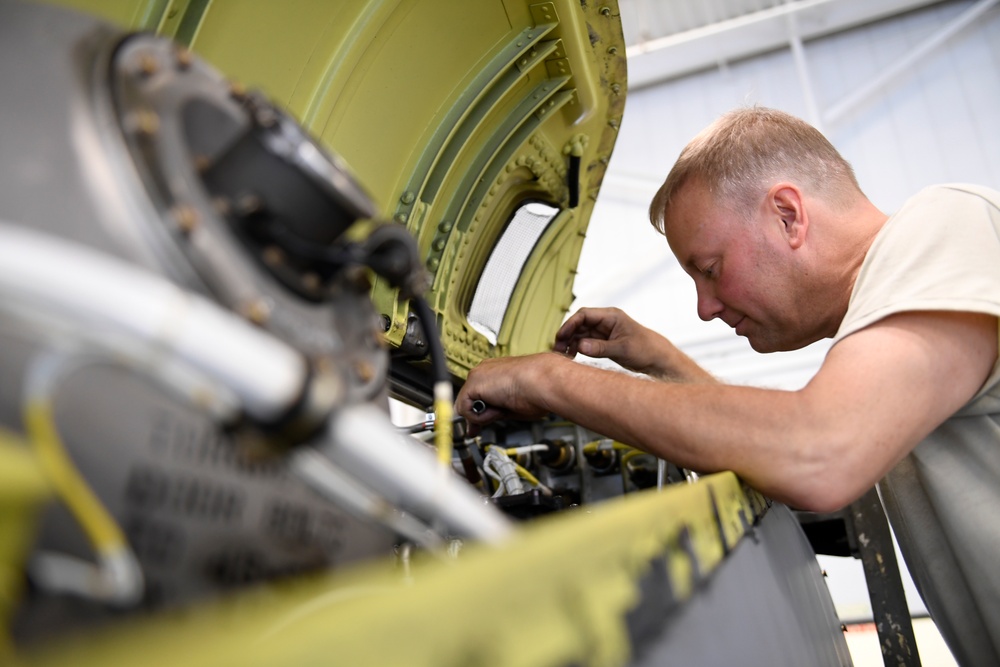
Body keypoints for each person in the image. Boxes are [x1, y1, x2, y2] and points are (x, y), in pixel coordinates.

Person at [456, 106, 1000, 666]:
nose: (704, 308)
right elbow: (796, 448)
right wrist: (664, 364)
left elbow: (817, 453)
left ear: (788, 216)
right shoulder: (903, 315)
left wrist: (550, 380)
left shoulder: (951, 223)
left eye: (710, 268)